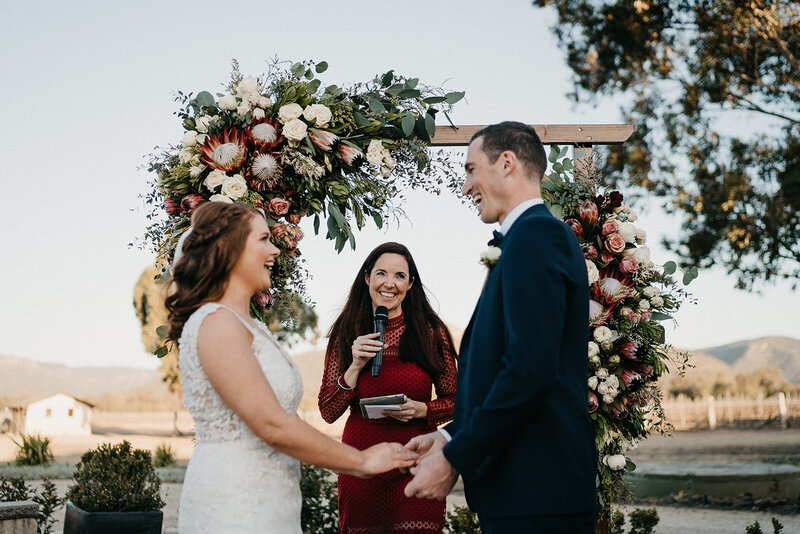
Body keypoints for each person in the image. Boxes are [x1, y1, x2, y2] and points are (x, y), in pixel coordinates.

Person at [166, 202, 417, 534]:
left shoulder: (251, 326)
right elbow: (271, 424)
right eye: (263, 239)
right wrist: (361, 462)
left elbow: (286, 418)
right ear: (230, 250)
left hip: (272, 500)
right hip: (234, 502)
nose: (275, 249)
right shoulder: (216, 323)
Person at [404, 122, 597, 533]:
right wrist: (449, 438)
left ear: (506, 163)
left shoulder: (537, 236)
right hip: (526, 494)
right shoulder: (524, 241)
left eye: (472, 169)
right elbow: (507, 370)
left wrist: (457, 460)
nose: (466, 185)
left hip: (537, 494)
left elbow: (529, 371)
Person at [318, 242, 458, 533]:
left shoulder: (431, 331)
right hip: (362, 463)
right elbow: (328, 411)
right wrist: (355, 366)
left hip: (416, 461)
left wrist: (423, 410)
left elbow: (459, 401)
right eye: (381, 273)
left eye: (399, 276)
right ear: (367, 277)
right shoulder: (345, 332)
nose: (389, 283)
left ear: (411, 283)